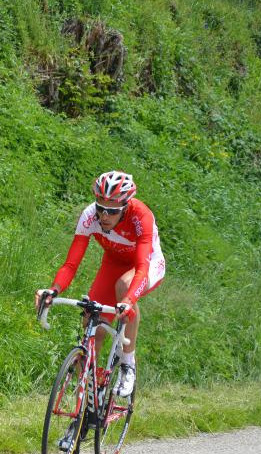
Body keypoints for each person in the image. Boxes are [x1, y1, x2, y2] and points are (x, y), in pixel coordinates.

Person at [36, 170, 165, 397]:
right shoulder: (89, 216)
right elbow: (70, 265)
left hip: (146, 264)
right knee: (91, 326)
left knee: (124, 288)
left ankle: (127, 364)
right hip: (113, 263)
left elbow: (142, 267)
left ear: (125, 207)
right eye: (100, 208)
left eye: (112, 211)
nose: (104, 216)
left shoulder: (141, 216)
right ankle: (86, 411)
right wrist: (53, 290)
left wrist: (128, 301)